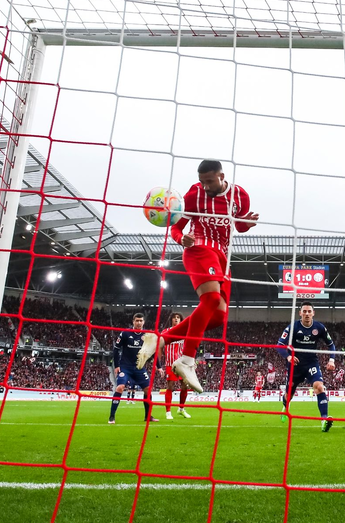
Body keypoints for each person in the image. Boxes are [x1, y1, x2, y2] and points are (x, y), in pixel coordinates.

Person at [136, 160, 258, 392]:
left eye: (209, 181)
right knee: (210, 299)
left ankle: (161, 339)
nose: (205, 186)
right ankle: (187, 360)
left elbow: (239, 225)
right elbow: (176, 226)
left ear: (222, 176)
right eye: (202, 181)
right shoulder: (194, 195)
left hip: (223, 257)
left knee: (217, 318)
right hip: (199, 248)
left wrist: (247, 224)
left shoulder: (241, 196)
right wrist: (180, 239)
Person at [276, 302, 336, 432]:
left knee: (319, 387)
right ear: (300, 313)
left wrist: (331, 360)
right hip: (295, 365)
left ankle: (324, 420)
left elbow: (331, 344)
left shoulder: (319, 327)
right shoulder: (293, 327)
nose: (307, 314)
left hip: (311, 363)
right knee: (289, 395)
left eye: (309, 311)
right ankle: (285, 407)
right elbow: (279, 345)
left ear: (313, 313)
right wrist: (288, 357)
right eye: (304, 311)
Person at [109, 313, 158, 424]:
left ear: (144, 322)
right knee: (120, 387)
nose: (139, 323)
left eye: (141, 321)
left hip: (139, 368)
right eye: (137, 321)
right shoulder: (125, 333)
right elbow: (116, 349)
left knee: (148, 389)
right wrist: (117, 366)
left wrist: (158, 366)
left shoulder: (147, 335)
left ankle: (148, 416)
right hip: (125, 367)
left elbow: (153, 351)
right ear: (133, 322)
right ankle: (112, 416)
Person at [161, 312, 191, 421]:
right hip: (170, 364)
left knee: (185, 386)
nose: (176, 319)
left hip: (182, 363)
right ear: (171, 320)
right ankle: (168, 412)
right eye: (174, 318)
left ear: (181, 320)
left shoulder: (185, 332)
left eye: (178, 317)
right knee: (170, 386)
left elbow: (189, 347)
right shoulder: (165, 332)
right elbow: (160, 346)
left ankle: (181, 409)